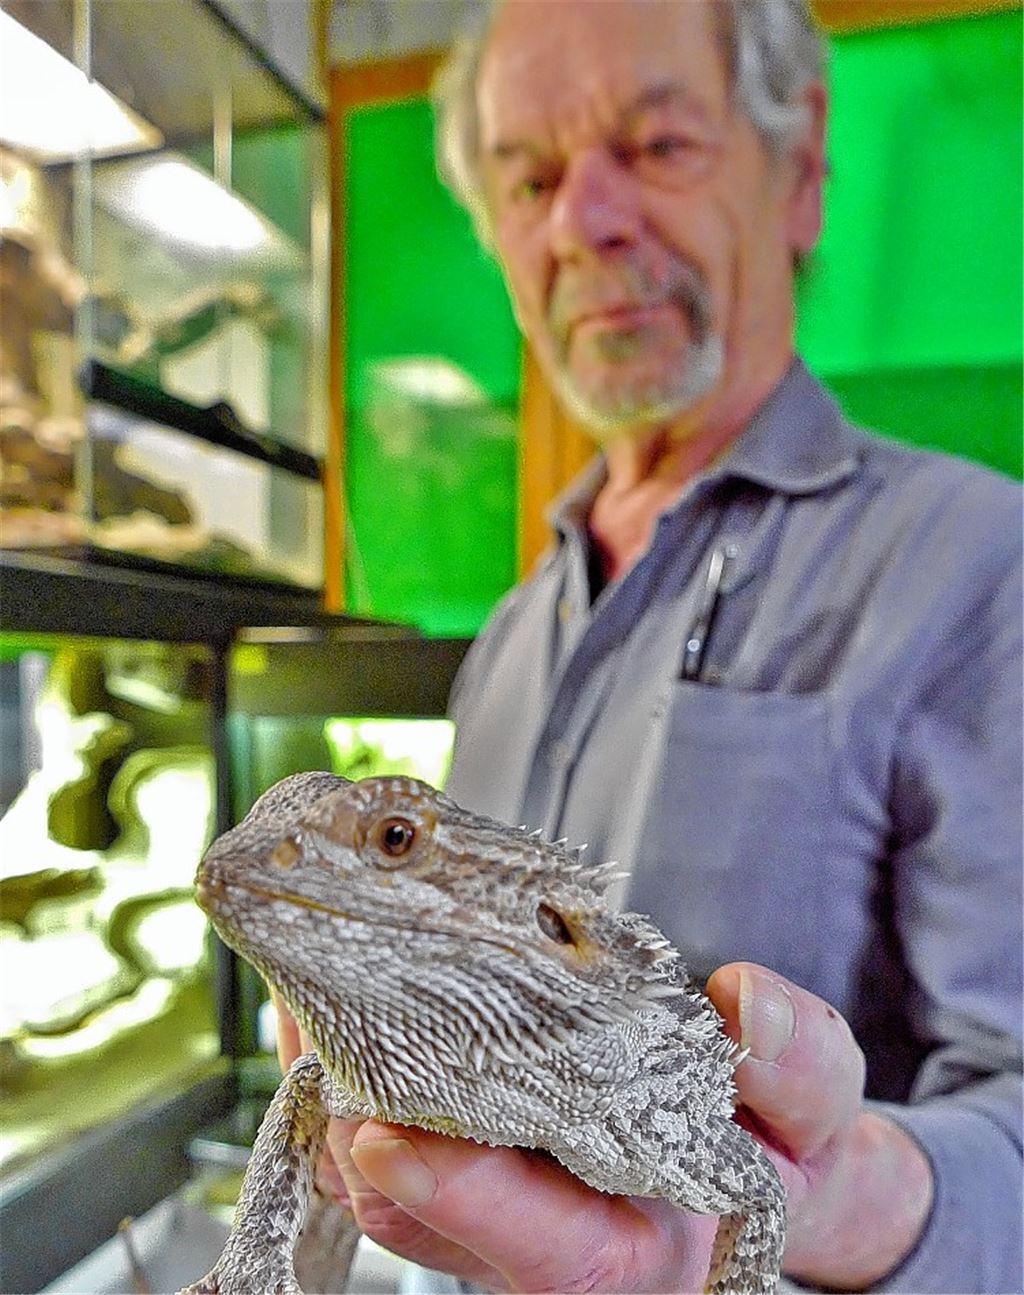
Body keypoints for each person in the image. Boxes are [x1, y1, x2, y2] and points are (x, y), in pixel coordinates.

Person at [279, 1, 1023, 1290]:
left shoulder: (978, 559)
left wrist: (832, 1201)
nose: (586, 222)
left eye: (658, 145)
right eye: (533, 179)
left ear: (799, 173)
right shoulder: (510, 636)